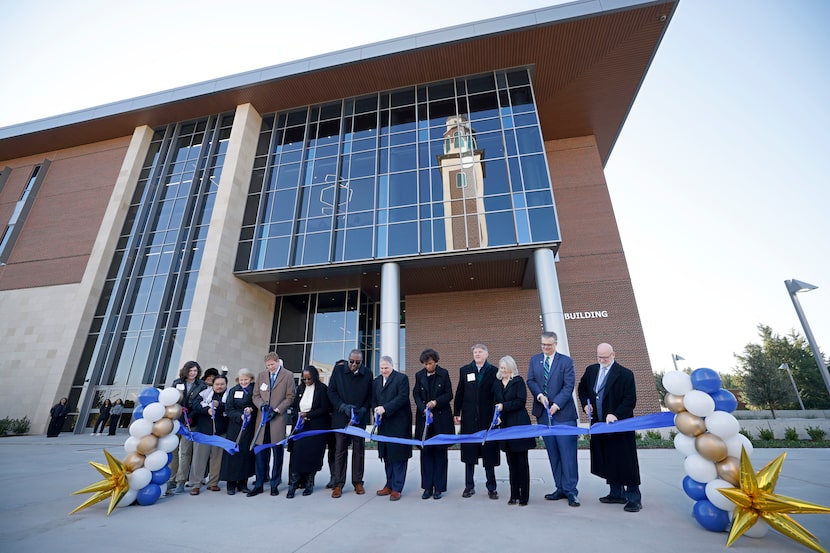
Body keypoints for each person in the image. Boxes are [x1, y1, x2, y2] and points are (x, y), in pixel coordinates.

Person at [577, 343, 642, 512]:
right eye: (599, 357)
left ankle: (634, 497)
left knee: (625, 460)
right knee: (608, 458)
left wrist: (616, 414)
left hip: (620, 425)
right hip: (599, 424)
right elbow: (582, 389)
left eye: (605, 357)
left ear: (613, 354)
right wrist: (585, 404)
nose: (602, 360)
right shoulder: (591, 370)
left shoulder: (625, 374)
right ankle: (616, 493)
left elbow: (630, 400)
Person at [527, 331, 580, 507]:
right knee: (554, 454)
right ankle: (560, 487)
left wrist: (556, 404)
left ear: (555, 344)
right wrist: (540, 395)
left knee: (568, 454)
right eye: (543, 344)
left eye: (548, 345)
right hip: (543, 416)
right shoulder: (535, 360)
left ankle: (571, 491)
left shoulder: (566, 361)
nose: (545, 348)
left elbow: (568, 386)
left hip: (563, 415)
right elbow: (531, 381)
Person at [454, 343, 500, 499]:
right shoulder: (465, 370)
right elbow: (460, 392)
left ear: (487, 354)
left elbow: (497, 394)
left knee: (489, 455)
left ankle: (492, 487)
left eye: (480, 352)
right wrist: (456, 412)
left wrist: (497, 414)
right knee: (469, 454)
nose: (477, 354)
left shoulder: (494, 371)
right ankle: (469, 486)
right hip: (469, 419)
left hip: (488, 419)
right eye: (475, 352)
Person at [248, 352, 295, 497]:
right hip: (262, 421)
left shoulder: (288, 375)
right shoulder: (262, 375)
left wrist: (278, 410)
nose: (270, 368)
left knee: (277, 454)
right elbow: (255, 395)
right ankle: (259, 483)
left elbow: (290, 396)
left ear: (277, 362)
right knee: (261, 454)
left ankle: (275, 484)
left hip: (277, 420)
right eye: (268, 366)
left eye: (272, 365)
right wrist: (262, 405)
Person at [327, 351, 373, 498]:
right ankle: (338, 484)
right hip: (341, 417)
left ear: (362, 362)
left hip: (359, 417)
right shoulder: (339, 370)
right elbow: (331, 391)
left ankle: (358, 482)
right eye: (351, 361)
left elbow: (370, 395)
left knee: (359, 450)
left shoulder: (367, 373)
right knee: (340, 450)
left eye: (357, 363)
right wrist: (342, 406)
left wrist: (365, 409)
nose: (354, 365)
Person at [494, 355, 536, 506]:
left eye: (505, 368)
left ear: (511, 368)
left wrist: (504, 406)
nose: (502, 370)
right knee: (511, 463)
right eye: (501, 367)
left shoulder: (518, 381)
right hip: (504, 426)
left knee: (522, 463)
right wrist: (497, 416)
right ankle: (513, 495)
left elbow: (520, 401)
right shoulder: (497, 383)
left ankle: (524, 496)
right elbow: (495, 402)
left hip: (519, 425)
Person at [413, 348, 453, 500]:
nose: (427, 367)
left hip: (441, 418)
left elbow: (449, 394)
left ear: (436, 362)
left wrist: (436, 402)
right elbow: (416, 394)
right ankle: (427, 487)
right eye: (425, 364)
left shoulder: (444, 373)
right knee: (426, 453)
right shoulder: (419, 375)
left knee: (440, 453)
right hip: (425, 419)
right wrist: (424, 407)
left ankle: (439, 487)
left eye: (430, 363)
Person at [286, 365, 331, 498]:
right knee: (297, 456)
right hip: (300, 427)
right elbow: (294, 406)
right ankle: (294, 484)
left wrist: (308, 415)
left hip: (315, 427)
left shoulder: (322, 389)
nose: (306, 381)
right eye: (304, 379)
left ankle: (309, 483)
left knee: (312, 456)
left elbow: (324, 408)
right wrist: (299, 416)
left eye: (309, 379)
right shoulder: (300, 388)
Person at [373, 355, 412, 501]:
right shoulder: (376, 381)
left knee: (398, 456)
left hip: (399, 424)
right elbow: (373, 399)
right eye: (381, 368)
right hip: (384, 424)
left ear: (392, 366)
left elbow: (402, 398)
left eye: (386, 368)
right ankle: (388, 485)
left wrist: (385, 409)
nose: (383, 371)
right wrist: (376, 411)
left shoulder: (401, 379)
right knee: (387, 456)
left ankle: (397, 488)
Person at [167, 360, 208, 494]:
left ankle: (181, 480)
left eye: (195, 371)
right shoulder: (177, 383)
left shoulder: (201, 385)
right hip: (175, 421)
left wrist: (191, 416)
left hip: (191, 422)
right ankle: (171, 479)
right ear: (186, 371)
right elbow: (170, 400)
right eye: (190, 370)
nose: (193, 373)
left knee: (185, 452)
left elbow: (201, 403)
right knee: (173, 451)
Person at [187, 374, 229, 495]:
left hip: (221, 432)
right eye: (217, 384)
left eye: (222, 384)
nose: (219, 387)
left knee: (217, 459)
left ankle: (213, 483)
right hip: (203, 432)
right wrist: (207, 410)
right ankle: (196, 484)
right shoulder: (204, 393)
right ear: (213, 384)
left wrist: (219, 405)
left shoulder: (229, 395)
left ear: (226, 385)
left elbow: (231, 407)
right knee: (199, 459)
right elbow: (195, 406)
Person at [220, 368, 257, 495]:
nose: (244, 382)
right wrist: (240, 415)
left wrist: (251, 410)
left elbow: (257, 405)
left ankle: (243, 483)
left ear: (251, 379)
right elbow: (228, 408)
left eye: (246, 379)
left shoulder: (255, 390)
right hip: (235, 427)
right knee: (233, 455)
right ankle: (231, 484)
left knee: (245, 455)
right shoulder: (233, 390)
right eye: (241, 380)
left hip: (249, 428)